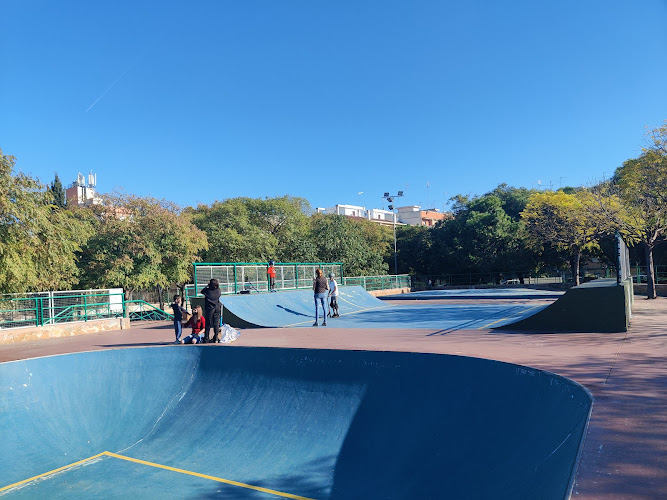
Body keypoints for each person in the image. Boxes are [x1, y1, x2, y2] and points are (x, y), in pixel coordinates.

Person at [201, 278, 222, 343]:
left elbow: (202, 291)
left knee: (208, 323)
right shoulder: (218, 290)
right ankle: (216, 338)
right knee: (216, 323)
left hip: (210, 308)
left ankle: (206, 338)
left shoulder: (207, 291)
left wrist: (207, 285)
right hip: (217, 307)